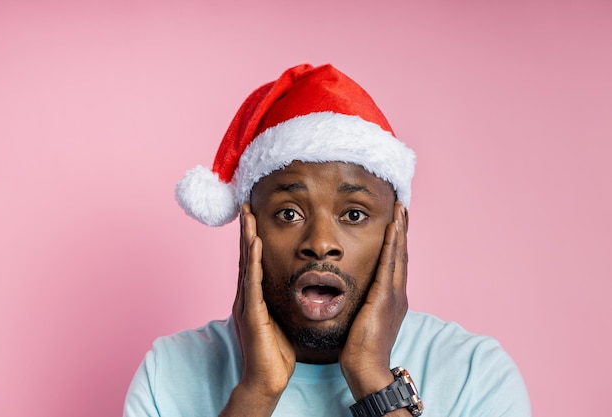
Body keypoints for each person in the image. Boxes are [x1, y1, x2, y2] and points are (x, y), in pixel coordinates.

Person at [123, 64, 531, 417]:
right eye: (289, 213)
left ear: (397, 229)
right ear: (250, 228)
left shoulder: (475, 373)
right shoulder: (170, 370)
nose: (320, 243)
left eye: (354, 214)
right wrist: (256, 394)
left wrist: (374, 382)